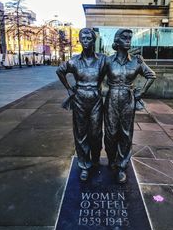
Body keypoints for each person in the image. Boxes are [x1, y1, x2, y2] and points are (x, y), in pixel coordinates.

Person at [104, 28, 156, 184]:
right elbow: (95, 76)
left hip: (128, 99)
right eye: (125, 38)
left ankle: (122, 166)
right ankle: (112, 159)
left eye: (130, 38)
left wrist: (141, 92)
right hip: (111, 99)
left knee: (125, 133)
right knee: (111, 133)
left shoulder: (136, 61)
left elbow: (151, 75)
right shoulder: (108, 61)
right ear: (117, 41)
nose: (128, 40)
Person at [56, 28, 106, 181]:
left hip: (96, 99)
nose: (85, 41)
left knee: (96, 133)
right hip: (80, 100)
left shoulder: (103, 59)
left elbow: (118, 69)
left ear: (93, 40)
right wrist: (69, 90)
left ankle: (96, 158)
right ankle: (84, 164)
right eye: (82, 38)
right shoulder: (74, 60)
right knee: (80, 134)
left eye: (88, 38)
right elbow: (60, 71)